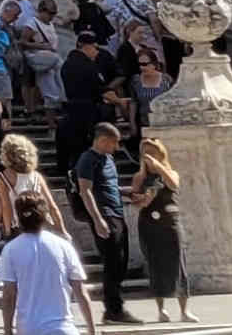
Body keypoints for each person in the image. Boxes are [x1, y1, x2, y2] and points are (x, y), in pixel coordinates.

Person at [0, 199, 97, 335]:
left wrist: (8, 330)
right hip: (63, 328)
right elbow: (80, 290)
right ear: (46, 216)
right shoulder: (63, 245)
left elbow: (9, 294)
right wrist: (91, 328)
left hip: (29, 328)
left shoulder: (10, 249)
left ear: (18, 217)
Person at [66, 125, 133, 326]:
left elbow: (109, 185)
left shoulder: (108, 159)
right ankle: (113, 310)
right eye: (114, 142)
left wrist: (129, 193)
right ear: (102, 140)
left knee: (121, 261)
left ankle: (115, 308)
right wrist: (97, 220)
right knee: (113, 262)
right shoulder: (87, 159)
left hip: (117, 212)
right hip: (104, 215)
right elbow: (85, 190)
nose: (117, 147)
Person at [129, 140, 186, 323]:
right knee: (155, 264)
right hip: (149, 223)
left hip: (170, 221)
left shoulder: (170, 172)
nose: (148, 157)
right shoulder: (139, 177)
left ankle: (184, 310)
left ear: (161, 155)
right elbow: (135, 201)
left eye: (152, 153)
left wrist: (159, 167)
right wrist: (143, 200)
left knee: (178, 262)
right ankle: (161, 309)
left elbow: (174, 185)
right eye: (145, 153)